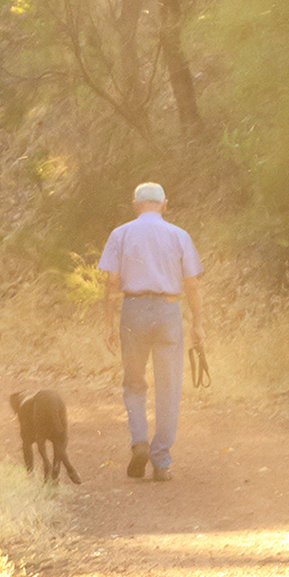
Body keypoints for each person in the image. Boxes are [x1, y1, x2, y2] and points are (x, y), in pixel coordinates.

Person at [98, 181, 204, 481]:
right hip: (168, 311)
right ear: (164, 205)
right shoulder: (179, 236)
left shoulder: (120, 234)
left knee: (133, 383)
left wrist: (108, 323)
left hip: (133, 311)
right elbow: (192, 285)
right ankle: (161, 461)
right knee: (169, 388)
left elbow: (111, 282)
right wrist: (197, 323)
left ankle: (139, 442)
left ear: (135, 206)